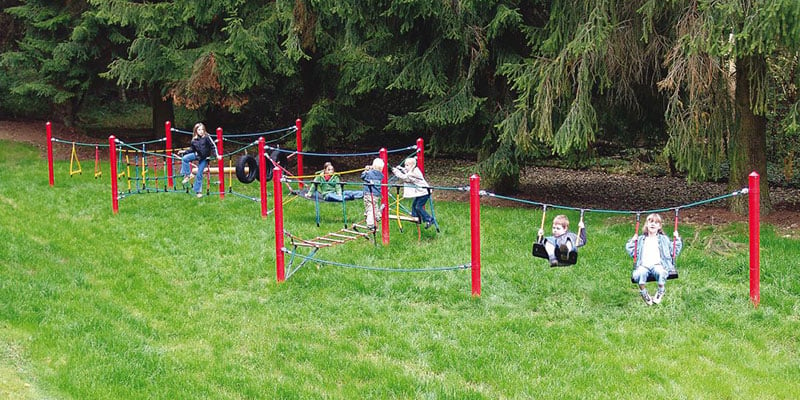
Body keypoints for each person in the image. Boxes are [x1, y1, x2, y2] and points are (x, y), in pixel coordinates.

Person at [625, 213, 683, 305]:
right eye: (650, 222)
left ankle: (660, 290)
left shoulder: (664, 239)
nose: (653, 224)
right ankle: (644, 293)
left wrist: (677, 239)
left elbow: (673, 251)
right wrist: (632, 240)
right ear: (647, 225)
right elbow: (632, 251)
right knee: (639, 274)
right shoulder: (640, 239)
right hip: (643, 265)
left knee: (662, 272)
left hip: (658, 264)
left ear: (659, 226)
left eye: (656, 223)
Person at [391, 157, 435, 229]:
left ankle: (429, 219)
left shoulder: (415, 173)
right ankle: (416, 218)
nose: (405, 167)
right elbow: (407, 171)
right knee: (414, 205)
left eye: (407, 165)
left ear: (412, 166)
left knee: (418, 207)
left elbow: (405, 177)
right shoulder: (413, 170)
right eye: (405, 165)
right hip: (420, 192)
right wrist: (401, 168)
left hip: (424, 192)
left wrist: (396, 171)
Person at [179, 122, 218, 198]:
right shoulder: (194, 140)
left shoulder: (207, 137)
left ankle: (198, 191)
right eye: (199, 129)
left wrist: (216, 155)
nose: (201, 131)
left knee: (199, 174)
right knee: (185, 158)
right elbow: (192, 149)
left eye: (202, 129)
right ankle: (187, 175)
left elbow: (213, 146)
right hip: (197, 155)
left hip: (204, 158)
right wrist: (184, 152)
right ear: (196, 131)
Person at [361, 158, 385, 229]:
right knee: (374, 206)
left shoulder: (369, 173)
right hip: (376, 195)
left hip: (368, 194)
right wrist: (372, 169)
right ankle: (377, 216)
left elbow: (362, 176)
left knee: (370, 208)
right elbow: (375, 173)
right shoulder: (381, 176)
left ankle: (370, 224)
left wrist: (366, 170)